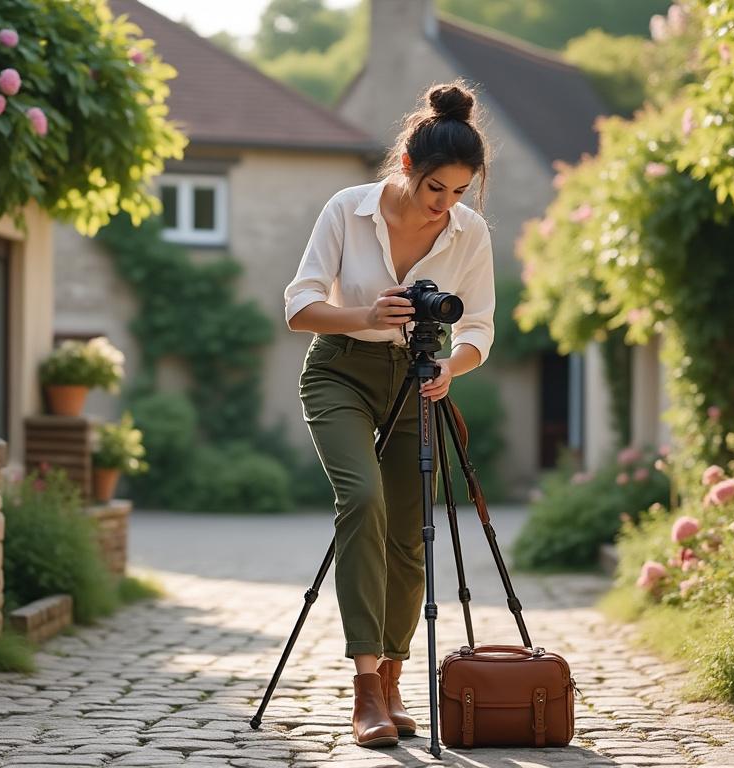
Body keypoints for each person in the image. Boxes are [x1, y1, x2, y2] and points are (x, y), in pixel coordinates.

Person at [282, 81, 496, 749]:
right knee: (363, 499)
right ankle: (365, 688)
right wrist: (366, 314)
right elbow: (299, 305)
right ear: (408, 166)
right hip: (340, 369)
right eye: (437, 189)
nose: (446, 206)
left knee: (411, 533)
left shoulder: (469, 233)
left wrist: (447, 368)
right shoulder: (348, 210)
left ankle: (399, 681)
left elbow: (480, 329)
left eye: (460, 192)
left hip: (418, 378)